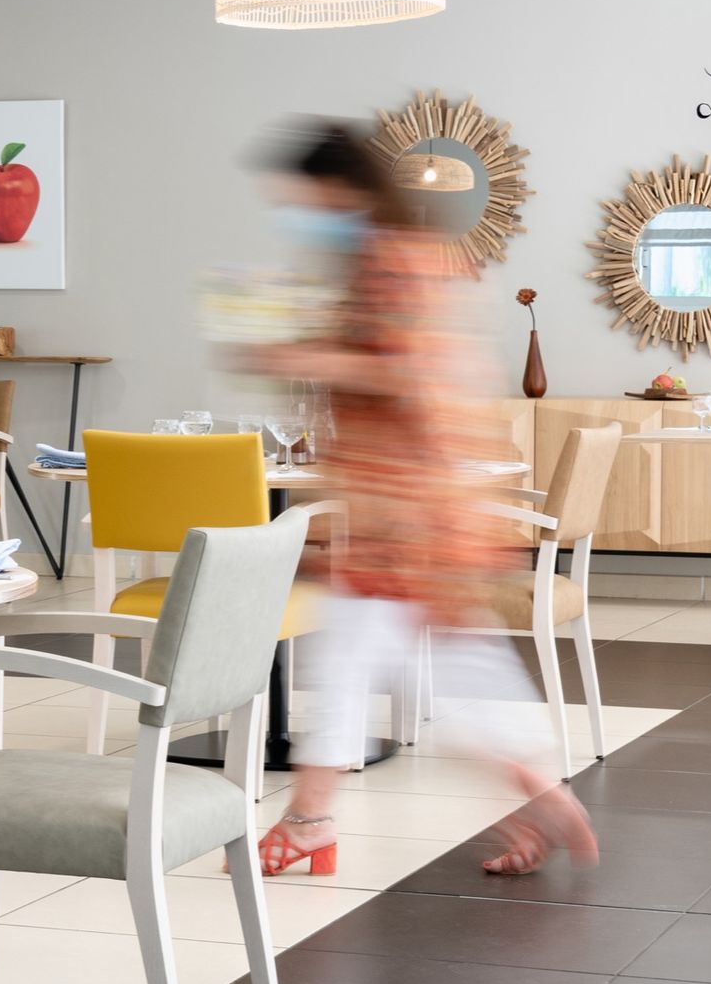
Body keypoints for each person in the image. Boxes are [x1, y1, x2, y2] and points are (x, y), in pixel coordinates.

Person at [246, 120, 598, 880]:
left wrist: (301, 355)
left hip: (397, 508)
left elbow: (407, 372)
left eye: (303, 199)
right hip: (417, 502)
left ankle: (312, 819)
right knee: (447, 662)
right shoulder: (410, 257)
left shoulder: (385, 262)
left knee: (351, 658)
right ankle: (536, 789)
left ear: (339, 189)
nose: (298, 214)